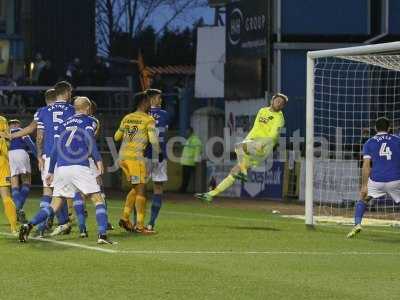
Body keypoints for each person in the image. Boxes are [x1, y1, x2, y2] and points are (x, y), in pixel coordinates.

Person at [19, 97, 114, 245]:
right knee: (97, 199)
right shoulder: (89, 121)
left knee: (54, 205)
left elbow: (56, 148)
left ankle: (28, 225)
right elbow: (90, 139)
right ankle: (102, 235)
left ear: (75, 108)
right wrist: (98, 159)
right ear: (88, 108)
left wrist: (50, 171)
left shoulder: (64, 124)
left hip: (62, 168)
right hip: (79, 165)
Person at [196, 93, 288, 203]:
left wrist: (262, 143)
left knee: (238, 147)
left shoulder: (279, 118)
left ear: (282, 107)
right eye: (277, 100)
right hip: (252, 143)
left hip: (263, 146)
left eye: (281, 103)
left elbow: (273, 135)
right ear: (272, 100)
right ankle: (210, 195)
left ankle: (244, 173)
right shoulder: (262, 111)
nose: (278, 103)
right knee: (234, 171)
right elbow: (256, 128)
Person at [114, 91, 160, 233]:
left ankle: (125, 217)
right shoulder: (148, 119)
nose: (149, 104)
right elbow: (153, 140)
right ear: (144, 103)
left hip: (123, 159)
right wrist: (158, 153)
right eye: (148, 101)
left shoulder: (127, 117)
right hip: (135, 159)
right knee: (141, 190)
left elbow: (116, 137)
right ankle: (140, 225)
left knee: (135, 188)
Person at [347, 117, 400, 238]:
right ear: (389, 128)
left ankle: (357, 224)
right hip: (396, 180)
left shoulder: (369, 142)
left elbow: (366, 165)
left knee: (363, 199)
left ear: (375, 128)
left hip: (377, 180)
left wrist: (364, 185)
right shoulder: (397, 140)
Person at [144, 89, 170, 232]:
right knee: (158, 187)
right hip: (160, 155)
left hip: (144, 155)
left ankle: (137, 222)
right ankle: (151, 223)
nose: (160, 100)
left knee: (139, 188)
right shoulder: (165, 115)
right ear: (153, 99)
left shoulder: (142, 114)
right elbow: (163, 132)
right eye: (159, 98)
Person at [8, 119, 37, 222]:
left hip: (10, 155)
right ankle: (19, 208)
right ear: (18, 124)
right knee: (26, 181)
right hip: (21, 153)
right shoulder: (21, 131)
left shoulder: (7, 133)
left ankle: (18, 210)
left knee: (14, 183)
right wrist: (38, 157)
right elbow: (30, 144)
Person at [0, 115, 17, 234]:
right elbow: (8, 141)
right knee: (6, 196)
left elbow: (8, 141)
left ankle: (14, 226)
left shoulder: (2, 120)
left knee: (6, 196)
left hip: (3, 162)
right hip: (2, 162)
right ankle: (14, 227)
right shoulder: (2, 120)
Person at [179, 127, 202, 193]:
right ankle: (183, 189)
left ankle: (184, 190)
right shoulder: (189, 139)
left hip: (190, 162)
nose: (186, 133)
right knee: (185, 177)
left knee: (187, 177)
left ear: (190, 131)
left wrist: (196, 161)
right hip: (186, 162)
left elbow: (197, 151)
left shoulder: (195, 140)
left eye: (187, 131)